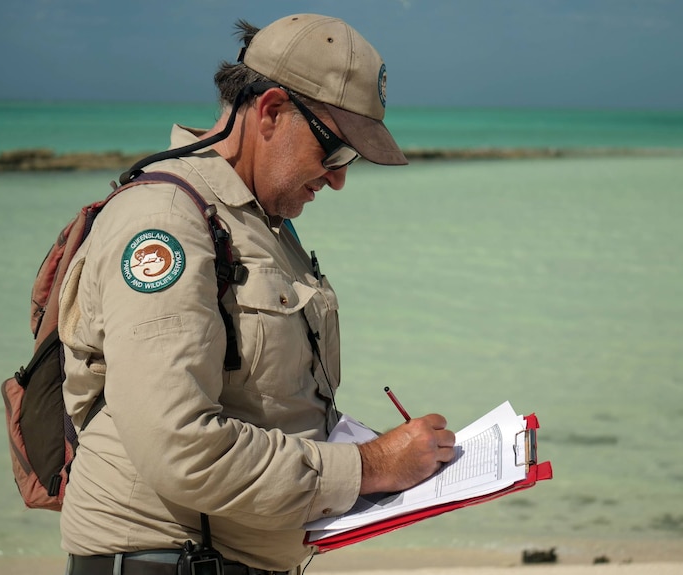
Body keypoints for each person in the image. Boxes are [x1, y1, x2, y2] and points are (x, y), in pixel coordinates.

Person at [58, 13, 456, 575]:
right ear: (270, 111)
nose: (340, 178)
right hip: (166, 562)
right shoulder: (166, 223)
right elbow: (181, 448)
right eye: (336, 151)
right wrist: (371, 466)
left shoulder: (258, 222)